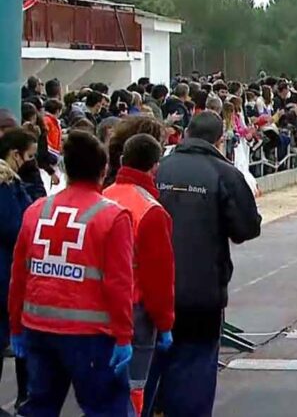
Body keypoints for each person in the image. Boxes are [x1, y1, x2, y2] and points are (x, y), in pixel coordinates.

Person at [8, 131, 135, 415]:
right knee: (106, 409)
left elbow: (20, 274)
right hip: (91, 336)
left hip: (38, 327)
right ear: (104, 171)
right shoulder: (112, 216)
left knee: (39, 406)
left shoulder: (37, 210)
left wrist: (16, 325)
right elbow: (120, 283)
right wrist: (124, 335)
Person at [147, 111, 261, 416]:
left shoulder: (159, 169)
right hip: (202, 290)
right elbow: (247, 228)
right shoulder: (225, 174)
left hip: (150, 288)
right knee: (195, 366)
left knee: (147, 366)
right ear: (220, 139)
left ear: (185, 132)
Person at [103, 133, 175, 415]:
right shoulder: (152, 211)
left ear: (122, 160)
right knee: (134, 388)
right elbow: (159, 276)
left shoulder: (103, 196)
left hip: (99, 306)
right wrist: (166, 323)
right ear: (155, 166)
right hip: (136, 312)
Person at [0, 128, 38, 412]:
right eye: (29, 156)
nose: (31, 162)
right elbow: (18, 225)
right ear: (15, 155)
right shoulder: (5, 185)